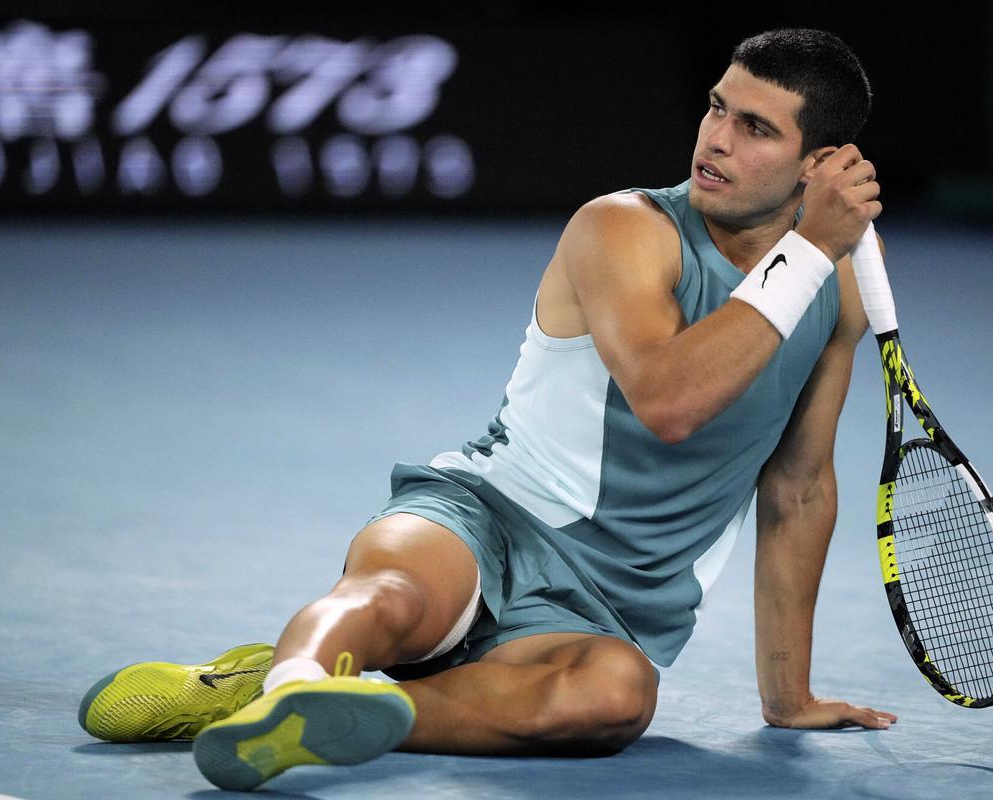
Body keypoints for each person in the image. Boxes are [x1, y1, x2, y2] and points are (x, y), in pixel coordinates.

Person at [78, 27, 897, 791]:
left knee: (617, 701)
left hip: (604, 613)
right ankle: (294, 685)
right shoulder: (624, 228)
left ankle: (320, 714)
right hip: (484, 518)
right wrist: (808, 252)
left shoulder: (847, 276)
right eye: (717, 106)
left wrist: (788, 697)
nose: (716, 139)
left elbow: (797, 486)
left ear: (818, 164)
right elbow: (670, 400)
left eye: (756, 128)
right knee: (393, 592)